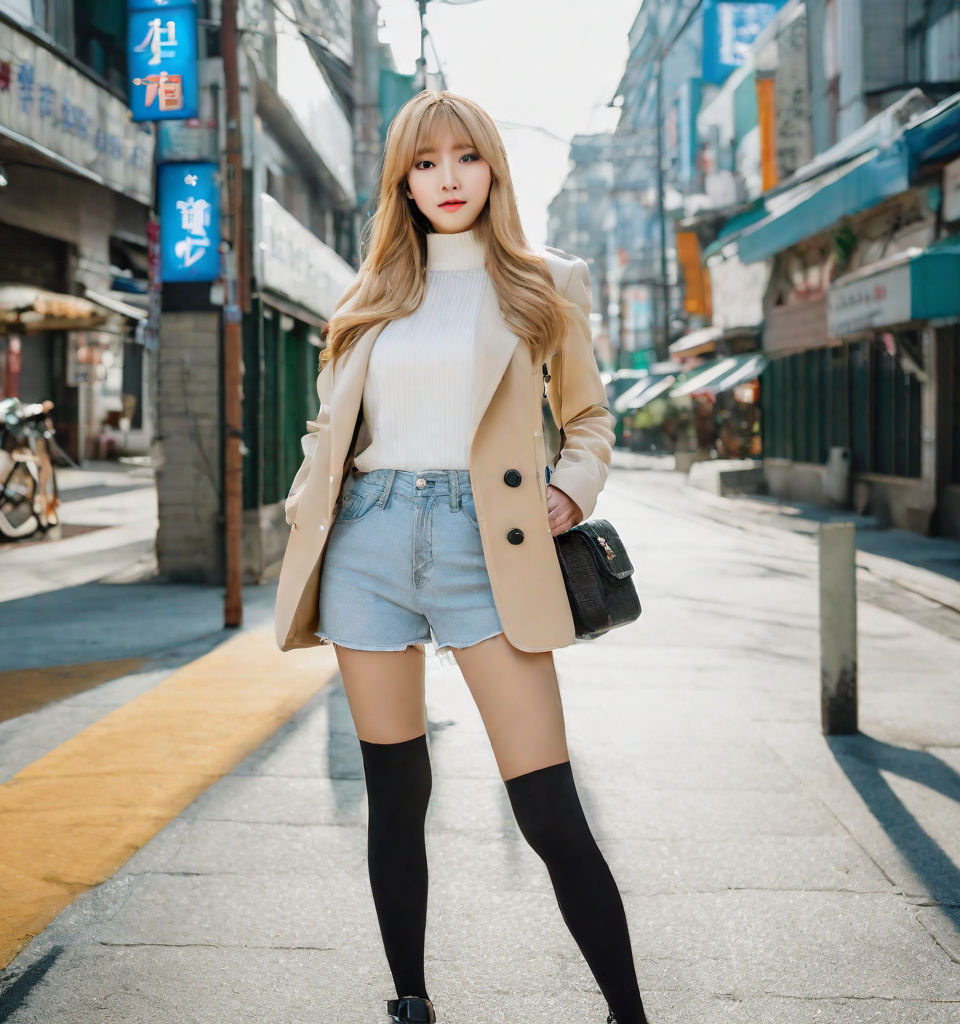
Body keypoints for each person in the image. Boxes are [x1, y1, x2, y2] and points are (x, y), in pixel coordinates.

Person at [274, 90, 650, 1024]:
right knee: (395, 791)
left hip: (492, 544)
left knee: (548, 806)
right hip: (367, 537)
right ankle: (410, 999)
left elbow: (590, 416)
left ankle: (631, 1014)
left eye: (466, 158)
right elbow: (333, 423)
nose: (448, 178)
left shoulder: (543, 282)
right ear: (402, 178)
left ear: (493, 168)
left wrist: (575, 482)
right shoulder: (368, 296)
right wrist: (304, 503)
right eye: (427, 161)